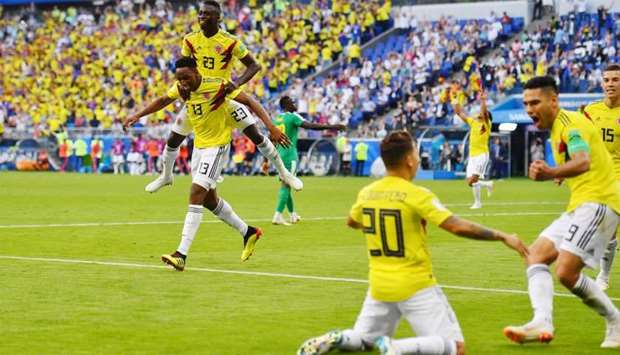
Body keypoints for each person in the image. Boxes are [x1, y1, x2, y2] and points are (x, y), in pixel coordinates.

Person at [297, 131, 528, 355]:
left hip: (379, 285)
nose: (418, 159)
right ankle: (397, 347)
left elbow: (352, 221)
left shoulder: (367, 193)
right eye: (416, 154)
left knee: (365, 340)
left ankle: (338, 338)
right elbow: (456, 225)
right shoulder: (417, 194)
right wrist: (502, 235)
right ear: (409, 159)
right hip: (415, 285)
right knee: (455, 348)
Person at [504, 76, 620, 348]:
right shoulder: (560, 126)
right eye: (525, 104)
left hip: (599, 202)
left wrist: (552, 172)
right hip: (581, 203)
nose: (529, 109)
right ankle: (542, 321)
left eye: (535, 102)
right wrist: (562, 172)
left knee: (566, 272)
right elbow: (580, 159)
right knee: (535, 255)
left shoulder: (571, 125)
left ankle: (615, 321)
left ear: (553, 100)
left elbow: (583, 161)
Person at [124, 57, 271, 270]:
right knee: (209, 200)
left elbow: (248, 101)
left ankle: (181, 254)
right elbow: (163, 100)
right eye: (179, 79)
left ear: (196, 71)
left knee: (195, 193)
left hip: (217, 147)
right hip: (200, 148)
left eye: (186, 77)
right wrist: (137, 115)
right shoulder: (183, 89)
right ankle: (248, 232)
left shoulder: (217, 84)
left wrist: (269, 127)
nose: (182, 82)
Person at [144, 0, 291, 192]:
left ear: (218, 17)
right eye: (200, 13)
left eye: (206, 14)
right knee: (173, 139)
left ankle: (283, 173)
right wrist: (185, 85)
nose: (201, 17)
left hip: (223, 95)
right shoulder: (189, 39)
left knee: (255, 135)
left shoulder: (230, 42)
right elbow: (186, 64)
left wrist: (236, 83)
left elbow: (254, 65)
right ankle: (166, 176)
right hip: (198, 98)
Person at [271, 96, 345, 225]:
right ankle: (277, 215)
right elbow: (311, 126)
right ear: (286, 105)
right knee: (287, 185)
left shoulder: (277, 119)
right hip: (289, 155)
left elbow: (270, 138)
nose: (295, 104)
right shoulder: (293, 116)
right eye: (292, 102)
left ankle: (293, 215)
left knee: (286, 183)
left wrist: (267, 161)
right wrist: (333, 126)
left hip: (279, 155)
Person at [583, 64, 620, 291]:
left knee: (610, 224)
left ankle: (603, 276)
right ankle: (603, 274)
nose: (610, 84)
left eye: (615, 80)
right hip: (598, 177)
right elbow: (578, 138)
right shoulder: (591, 111)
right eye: (607, 80)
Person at [451, 91, 494, 209]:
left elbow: (484, 112)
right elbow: (459, 112)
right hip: (472, 156)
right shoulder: (473, 122)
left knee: (472, 181)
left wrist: (483, 100)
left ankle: (482, 194)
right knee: (469, 181)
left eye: (481, 112)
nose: (478, 113)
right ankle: (479, 200)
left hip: (481, 156)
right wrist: (455, 99)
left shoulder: (487, 124)